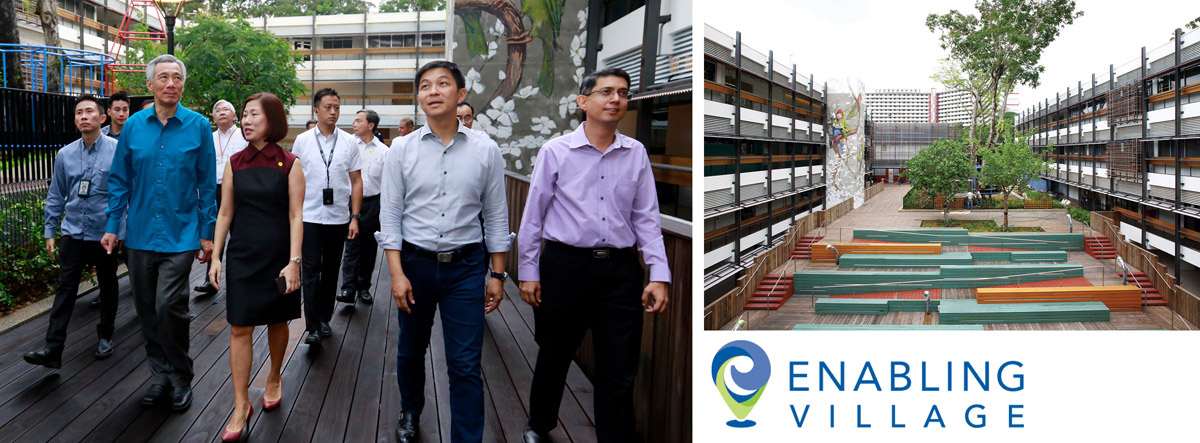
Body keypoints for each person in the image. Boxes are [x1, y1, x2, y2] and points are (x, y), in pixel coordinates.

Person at [517, 68, 670, 443]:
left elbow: (647, 218)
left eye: (622, 92)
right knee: (554, 355)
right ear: (583, 101)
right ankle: (540, 424)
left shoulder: (636, 153)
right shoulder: (555, 152)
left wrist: (659, 275)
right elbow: (533, 216)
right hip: (564, 267)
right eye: (606, 92)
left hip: (620, 271)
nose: (616, 99)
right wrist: (528, 272)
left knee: (620, 367)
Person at [377, 60, 509, 443]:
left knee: (465, 363)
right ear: (419, 98)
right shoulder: (401, 149)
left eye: (443, 84)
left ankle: (466, 438)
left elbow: (497, 214)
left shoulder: (486, 151)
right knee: (410, 349)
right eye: (425, 86)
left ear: (461, 94)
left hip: (467, 268)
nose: (433, 91)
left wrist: (497, 275)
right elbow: (391, 214)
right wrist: (397, 274)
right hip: (415, 265)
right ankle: (410, 410)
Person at [102, 54, 217, 413]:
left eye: (177, 77)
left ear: (183, 84)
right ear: (150, 85)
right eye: (164, 77)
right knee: (146, 309)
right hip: (137, 234)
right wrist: (111, 226)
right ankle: (160, 376)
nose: (171, 83)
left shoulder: (198, 125)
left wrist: (207, 232)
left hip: (181, 233)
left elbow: (206, 184)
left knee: (170, 305)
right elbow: (119, 180)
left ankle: (182, 377)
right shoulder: (133, 126)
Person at [208, 92, 304, 441]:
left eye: (253, 115)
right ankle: (240, 404)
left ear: (272, 120)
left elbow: (296, 216)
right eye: (244, 115)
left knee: (279, 321)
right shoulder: (235, 162)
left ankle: (275, 376)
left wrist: (294, 262)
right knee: (239, 327)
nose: (246, 121)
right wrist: (216, 256)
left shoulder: (290, 162)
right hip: (243, 257)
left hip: (280, 258)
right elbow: (225, 213)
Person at [24, 94, 125, 369]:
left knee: (108, 284)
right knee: (65, 289)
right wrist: (50, 230)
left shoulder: (117, 151)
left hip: (104, 233)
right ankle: (52, 348)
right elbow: (56, 195)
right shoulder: (64, 154)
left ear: (102, 118)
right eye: (79, 112)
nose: (83, 116)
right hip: (73, 232)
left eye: (89, 111)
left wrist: (120, 231)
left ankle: (105, 335)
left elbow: (125, 195)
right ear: (75, 120)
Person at [292, 88, 363, 344]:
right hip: (309, 216)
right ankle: (311, 326)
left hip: (338, 217)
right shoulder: (302, 140)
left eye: (336, 107)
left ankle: (324, 319)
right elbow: (296, 179)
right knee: (310, 270)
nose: (333, 112)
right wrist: (294, 214)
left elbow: (356, 181)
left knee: (332, 269)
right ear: (316, 110)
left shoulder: (349, 142)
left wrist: (355, 216)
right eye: (327, 107)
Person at [195, 99, 249, 294]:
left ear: (235, 116)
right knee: (213, 235)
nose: (222, 112)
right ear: (214, 117)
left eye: (226, 109)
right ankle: (211, 280)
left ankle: (241, 280)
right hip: (213, 190)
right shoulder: (208, 137)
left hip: (238, 189)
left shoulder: (244, 137)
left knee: (239, 235)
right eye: (218, 110)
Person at [340, 110, 387, 304]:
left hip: (374, 203)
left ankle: (363, 288)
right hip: (350, 202)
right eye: (354, 120)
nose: (354, 123)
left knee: (369, 248)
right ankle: (347, 289)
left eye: (359, 120)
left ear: (371, 125)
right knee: (351, 246)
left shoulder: (385, 151)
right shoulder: (348, 146)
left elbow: (388, 183)